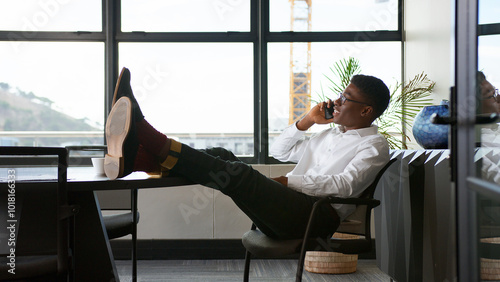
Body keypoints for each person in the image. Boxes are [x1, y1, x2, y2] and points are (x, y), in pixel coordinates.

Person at [104, 67, 391, 240]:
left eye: (346, 98)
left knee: (237, 174)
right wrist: (306, 121)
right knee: (223, 154)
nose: (337, 101)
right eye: (339, 95)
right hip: (291, 206)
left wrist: (288, 182)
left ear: (366, 111)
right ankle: (139, 160)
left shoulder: (374, 146)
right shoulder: (329, 133)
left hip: (316, 217)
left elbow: (345, 185)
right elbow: (280, 151)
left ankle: (144, 135)